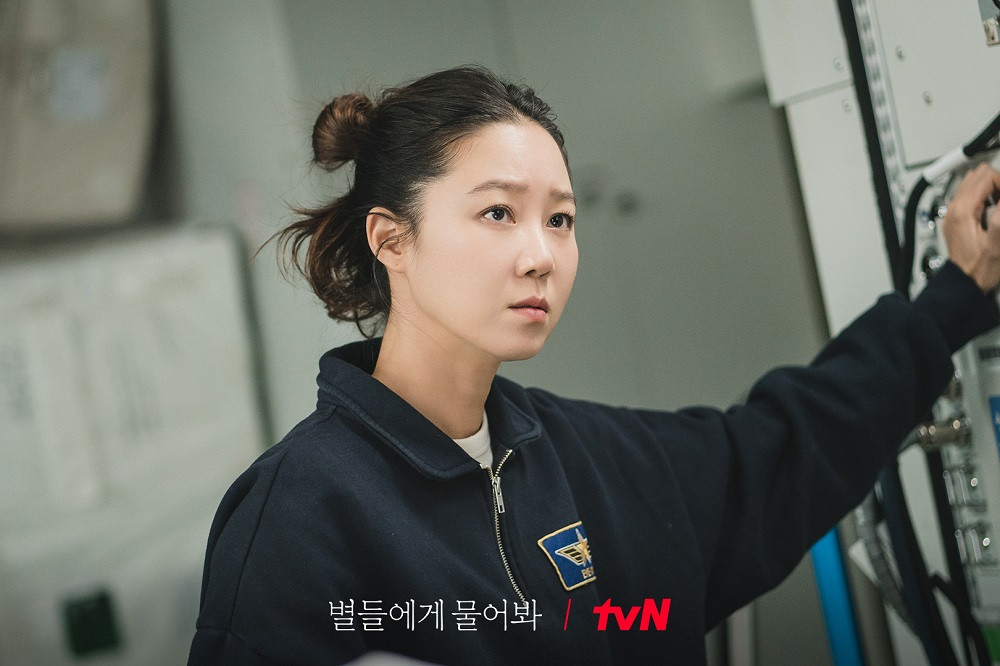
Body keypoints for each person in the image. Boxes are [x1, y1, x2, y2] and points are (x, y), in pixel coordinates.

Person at [188, 66, 1000, 665]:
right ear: (391, 239)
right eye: (498, 212)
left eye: (561, 219)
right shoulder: (300, 515)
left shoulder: (589, 460)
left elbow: (782, 449)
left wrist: (957, 295)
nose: (541, 254)